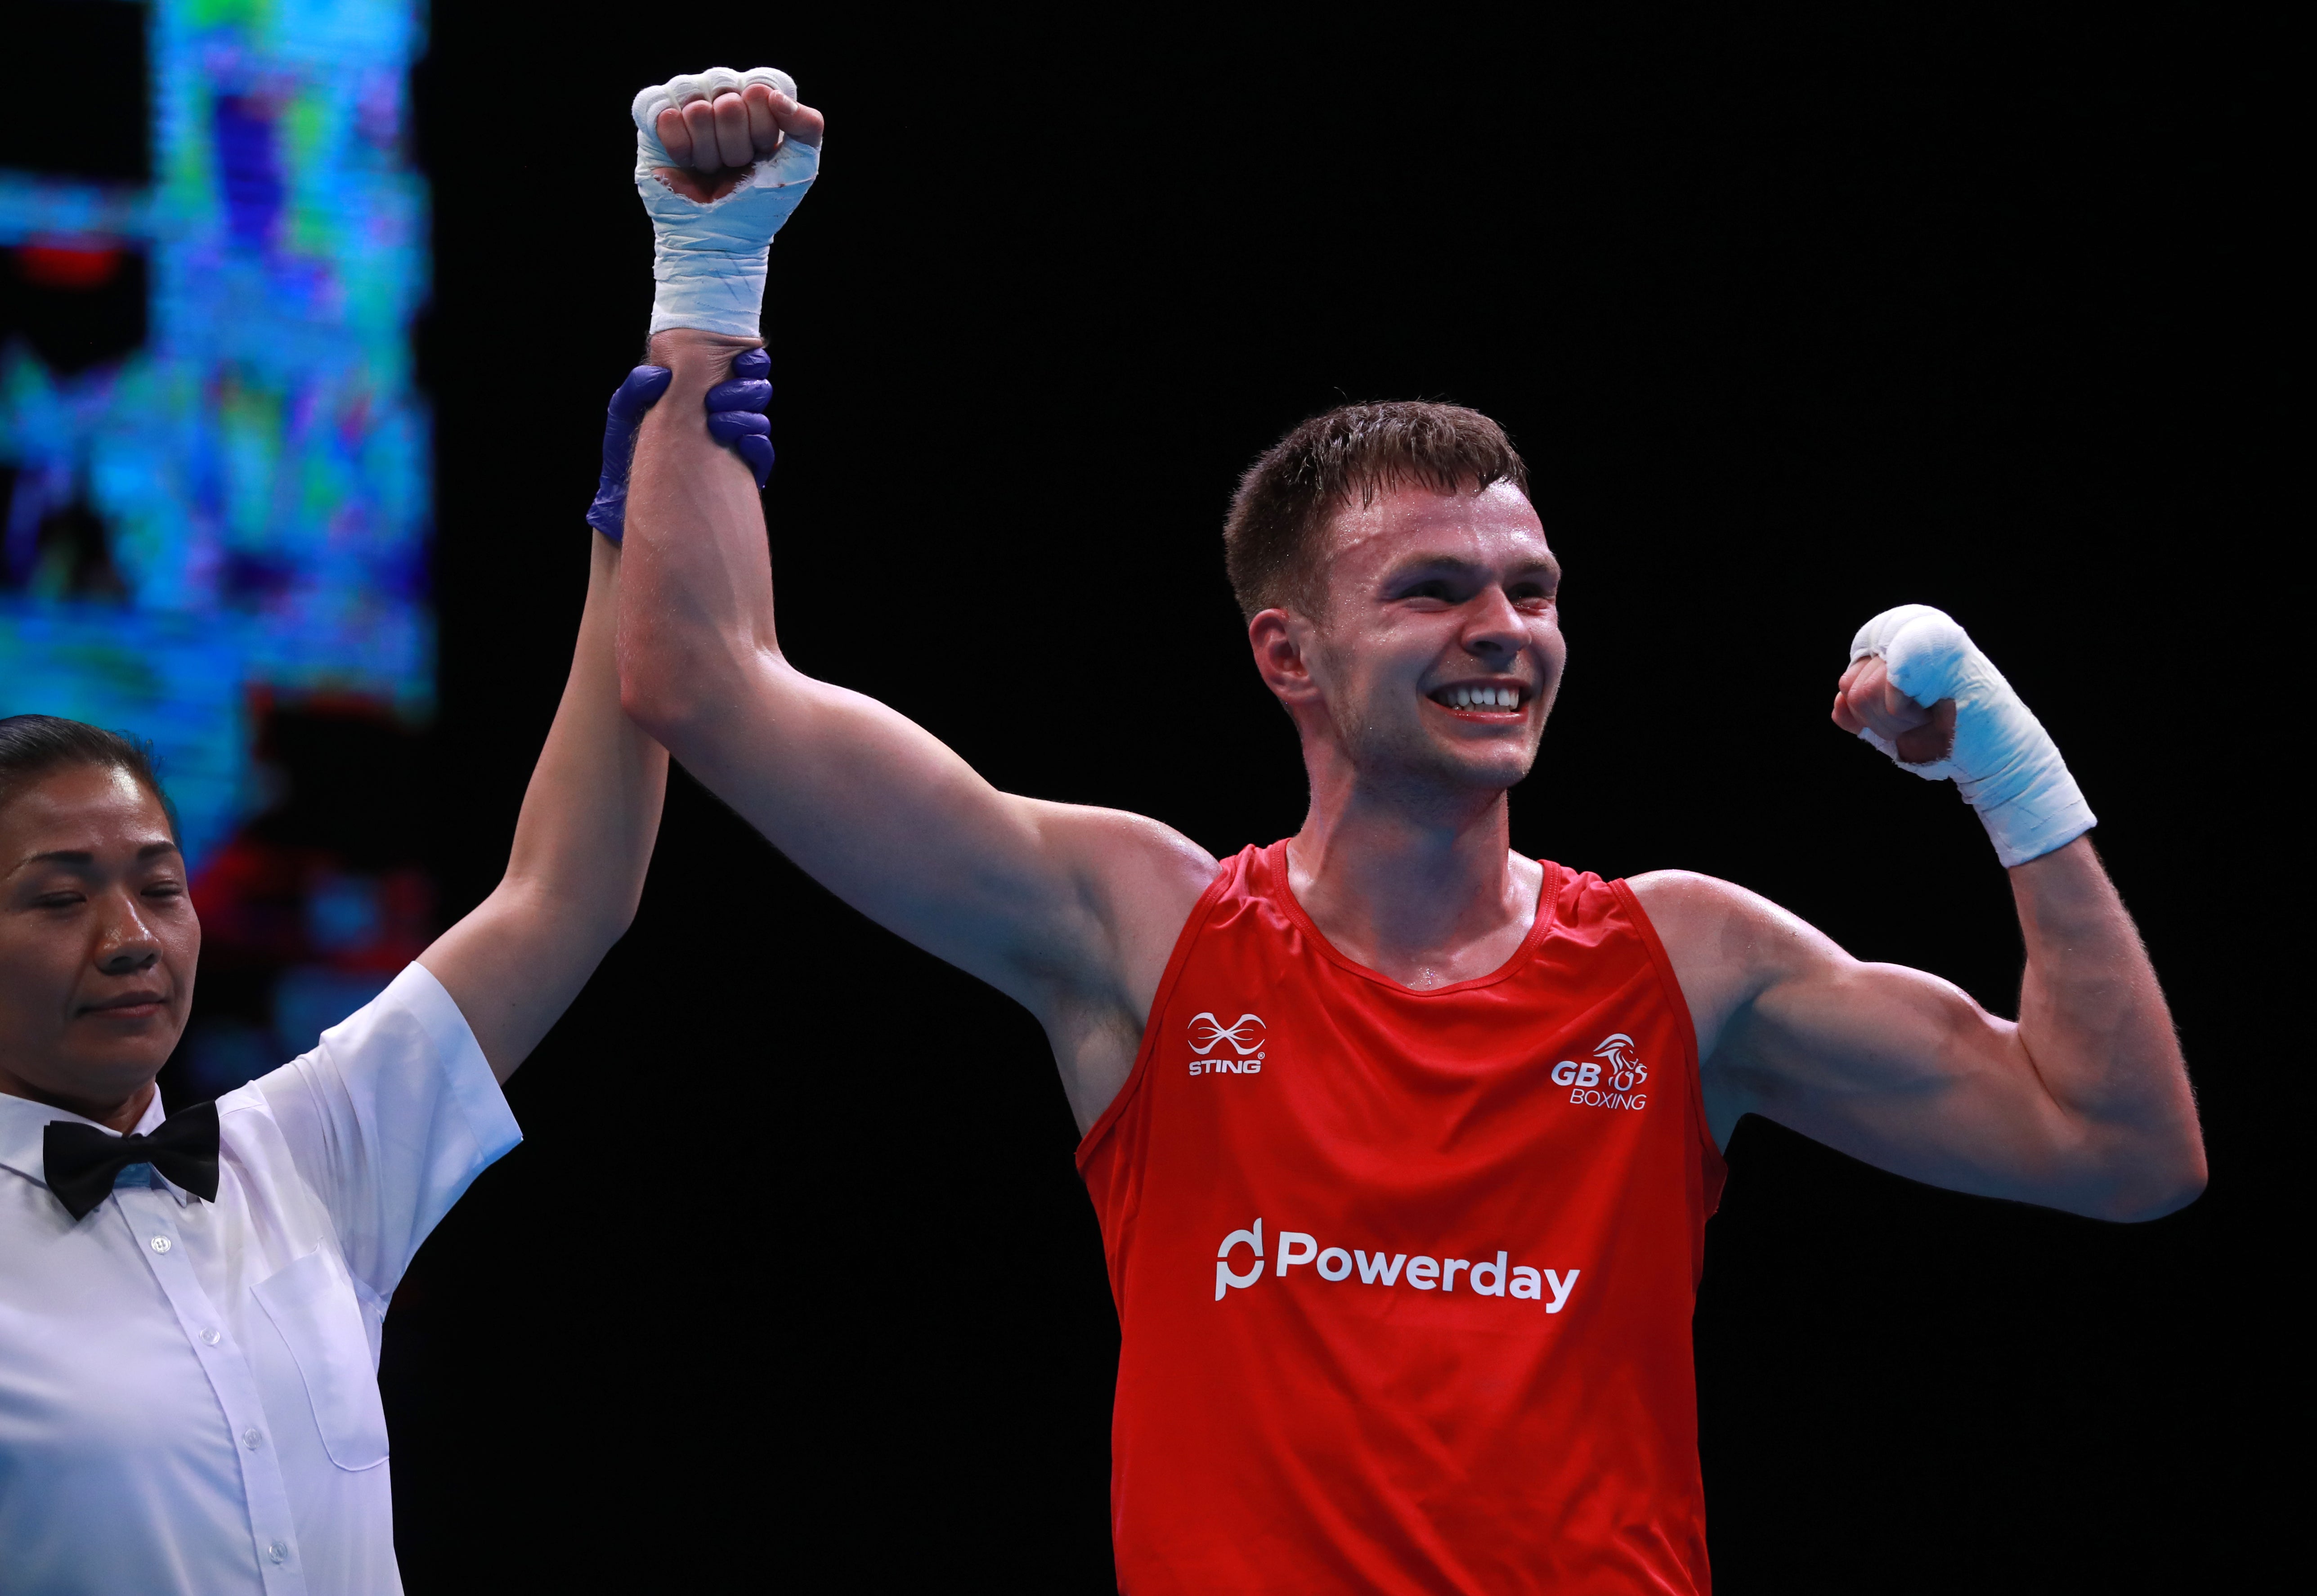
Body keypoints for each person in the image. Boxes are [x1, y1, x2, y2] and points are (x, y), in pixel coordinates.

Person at [611, 68, 2208, 1594]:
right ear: (1288, 654)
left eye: (1534, 589)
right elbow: (706, 683)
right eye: (1436, 591)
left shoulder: (1685, 964)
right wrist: (710, 266)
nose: (1506, 628)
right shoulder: (1146, 935)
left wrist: (2011, 772)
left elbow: (2123, 1149)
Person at [0, 363, 759, 1594]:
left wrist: (634, 518)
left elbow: (566, 890)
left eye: (157, 883)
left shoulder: (298, 1153)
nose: (130, 935)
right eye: (59, 894)